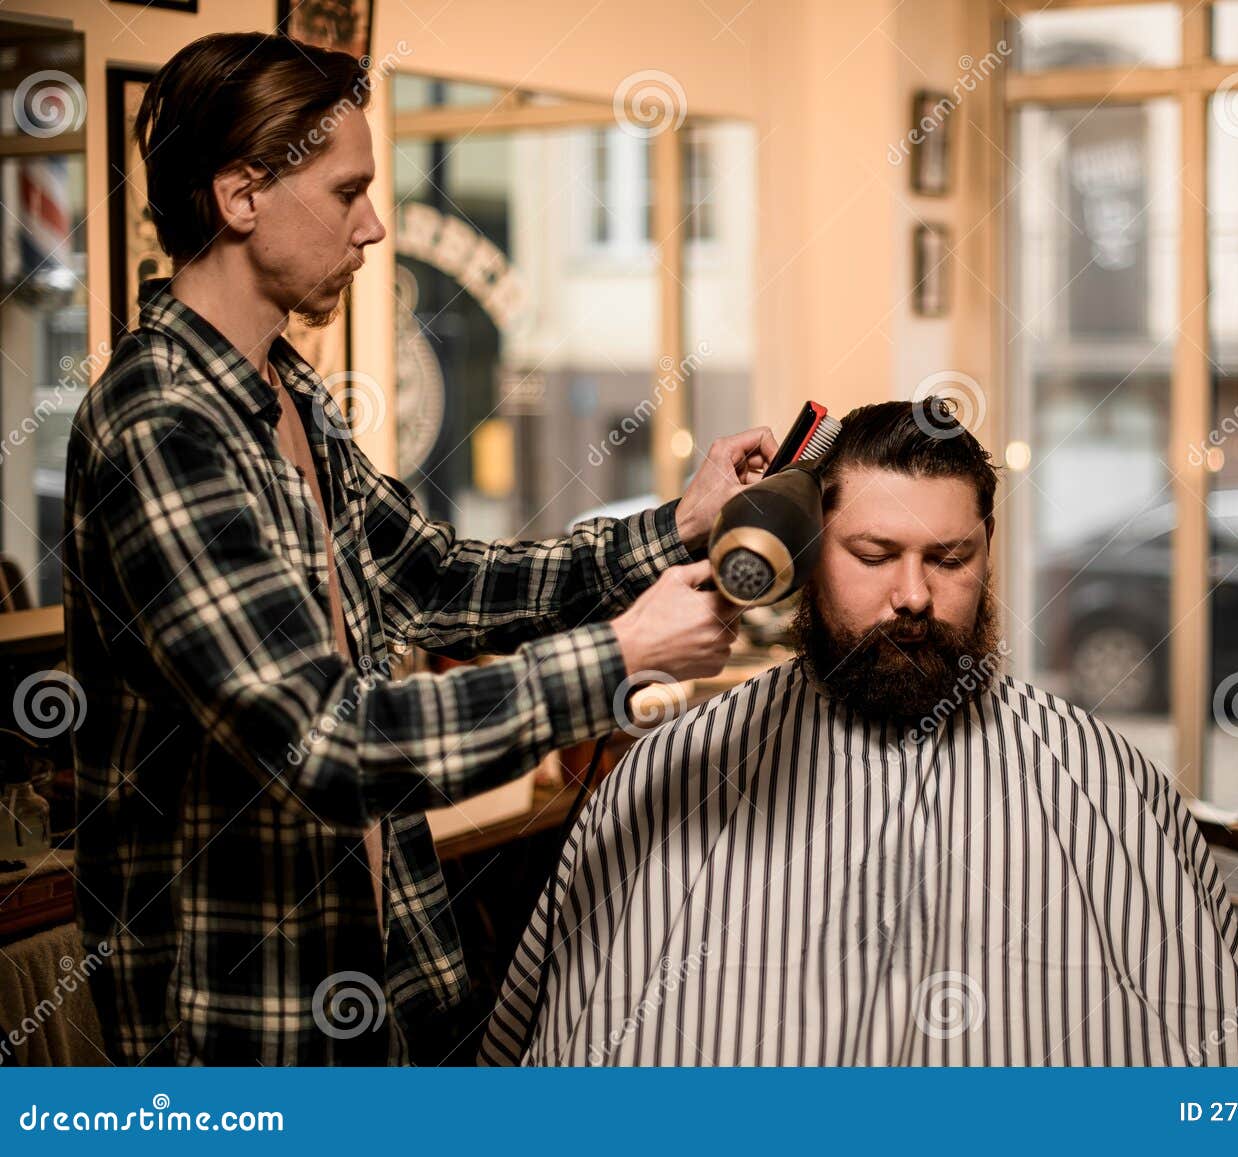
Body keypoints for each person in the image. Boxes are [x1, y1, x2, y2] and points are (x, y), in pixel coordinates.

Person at [63, 32, 773, 1065]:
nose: (376, 225)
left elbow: (442, 581)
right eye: (347, 192)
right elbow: (329, 743)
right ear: (239, 196)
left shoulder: (289, 396)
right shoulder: (158, 427)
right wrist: (620, 658)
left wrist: (678, 524)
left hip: (393, 996)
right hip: (246, 1037)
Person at [480, 400, 1238, 1066]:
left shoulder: (1103, 783)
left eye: (949, 557)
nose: (912, 593)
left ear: (989, 554)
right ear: (807, 554)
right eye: (873, 553)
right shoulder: (678, 771)